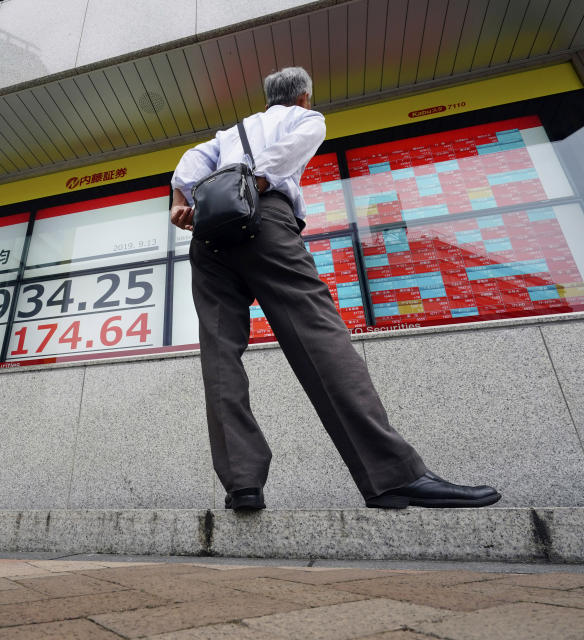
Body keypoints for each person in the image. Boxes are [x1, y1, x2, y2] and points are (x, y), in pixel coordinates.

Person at [170, 67, 500, 511]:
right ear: (304, 96)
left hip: (207, 237)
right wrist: (259, 181)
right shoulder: (307, 118)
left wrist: (180, 198)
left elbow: (192, 161)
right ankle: (391, 476)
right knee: (320, 338)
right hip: (262, 221)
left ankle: (242, 483)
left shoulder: (229, 133)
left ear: (268, 98)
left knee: (220, 355)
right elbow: (289, 152)